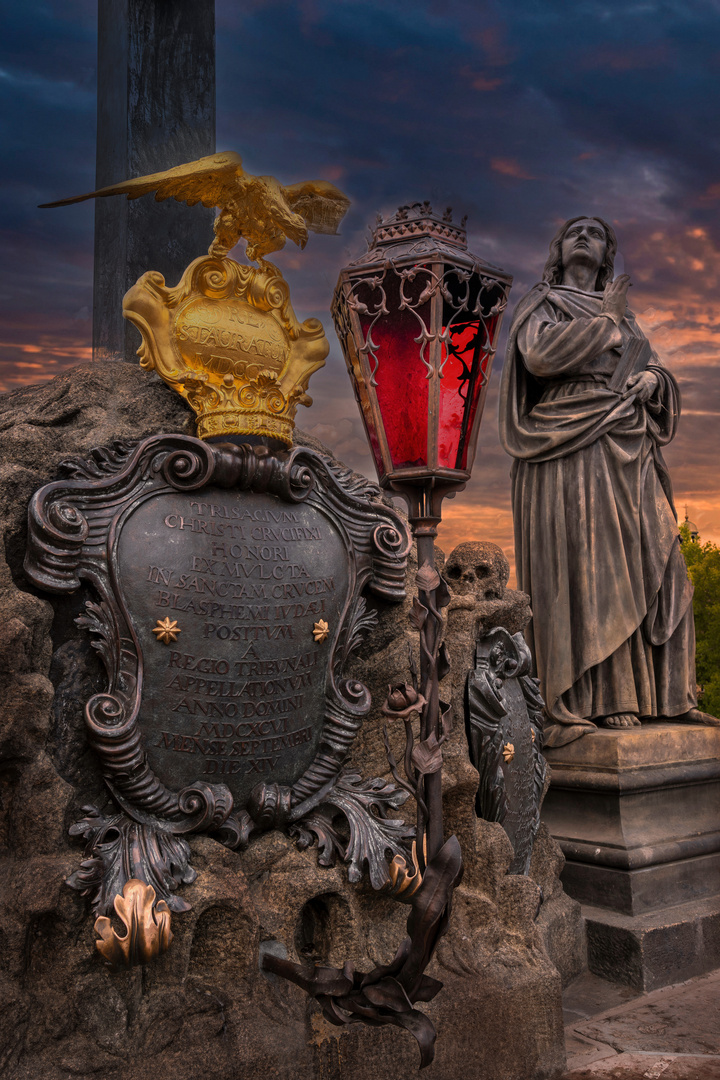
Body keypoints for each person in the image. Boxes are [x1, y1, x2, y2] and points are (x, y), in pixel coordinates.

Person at [499, 216, 706, 747]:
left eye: (596, 232)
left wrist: (652, 379)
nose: (585, 237)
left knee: (663, 563)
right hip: (569, 438)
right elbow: (540, 358)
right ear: (560, 250)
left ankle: (671, 694)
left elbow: (653, 366)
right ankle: (605, 695)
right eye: (575, 232)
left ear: (607, 253)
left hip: (629, 438)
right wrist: (605, 321)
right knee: (596, 565)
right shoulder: (543, 303)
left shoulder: (626, 317)